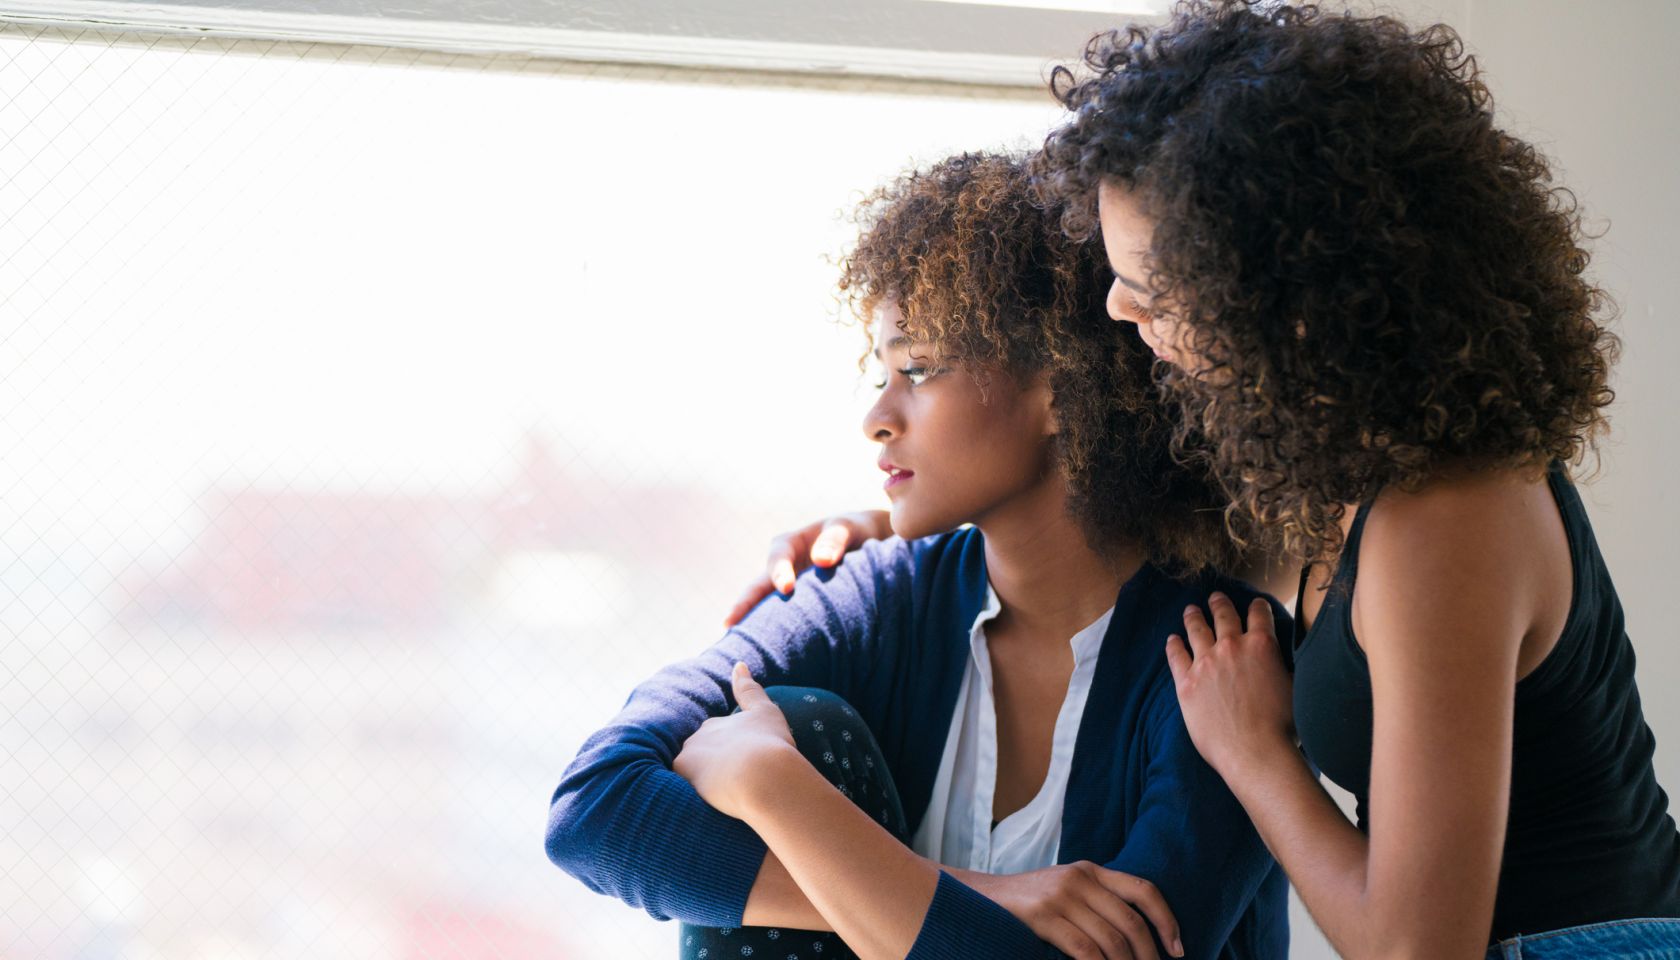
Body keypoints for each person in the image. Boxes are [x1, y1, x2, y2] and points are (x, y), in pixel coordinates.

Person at [761, 4, 1680, 957]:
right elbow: (1096, 534)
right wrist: (890, 527)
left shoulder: (1444, 517)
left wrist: (1258, 756)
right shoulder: (1333, 475)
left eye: (1152, 289)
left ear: (1283, 301)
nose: (1119, 309)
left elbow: (1418, 950)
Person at [545, 152, 1290, 960]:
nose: (876, 417)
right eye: (881, 374)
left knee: (775, 749)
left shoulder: (1227, 660)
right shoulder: (873, 597)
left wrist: (780, 794)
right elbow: (594, 809)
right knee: (797, 720)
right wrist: (986, 896)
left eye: (919, 368)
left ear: (1060, 386)